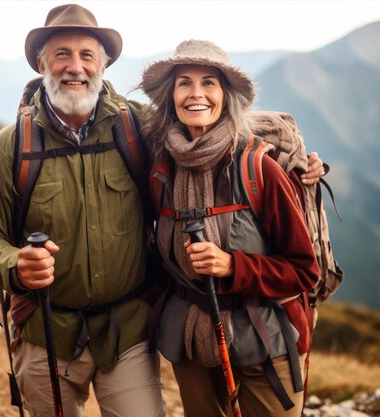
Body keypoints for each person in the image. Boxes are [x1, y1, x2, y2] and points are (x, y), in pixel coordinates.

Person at [0, 4, 325, 417]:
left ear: (104, 64)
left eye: (87, 55)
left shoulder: (138, 128)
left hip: (127, 332)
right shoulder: (10, 147)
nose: (74, 66)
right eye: (61, 53)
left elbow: (207, 128)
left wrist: (293, 159)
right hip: (46, 333)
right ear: (42, 62)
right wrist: (14, 265)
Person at [139, 39, 320, 417]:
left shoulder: (259, 169)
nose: (196, 93)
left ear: (226, 95)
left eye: (209, 83)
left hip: (265, 339)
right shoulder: (161, 167)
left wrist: (232, 266)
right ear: (170, 96)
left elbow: (304, 270)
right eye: (184, 82)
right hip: (189, 338)